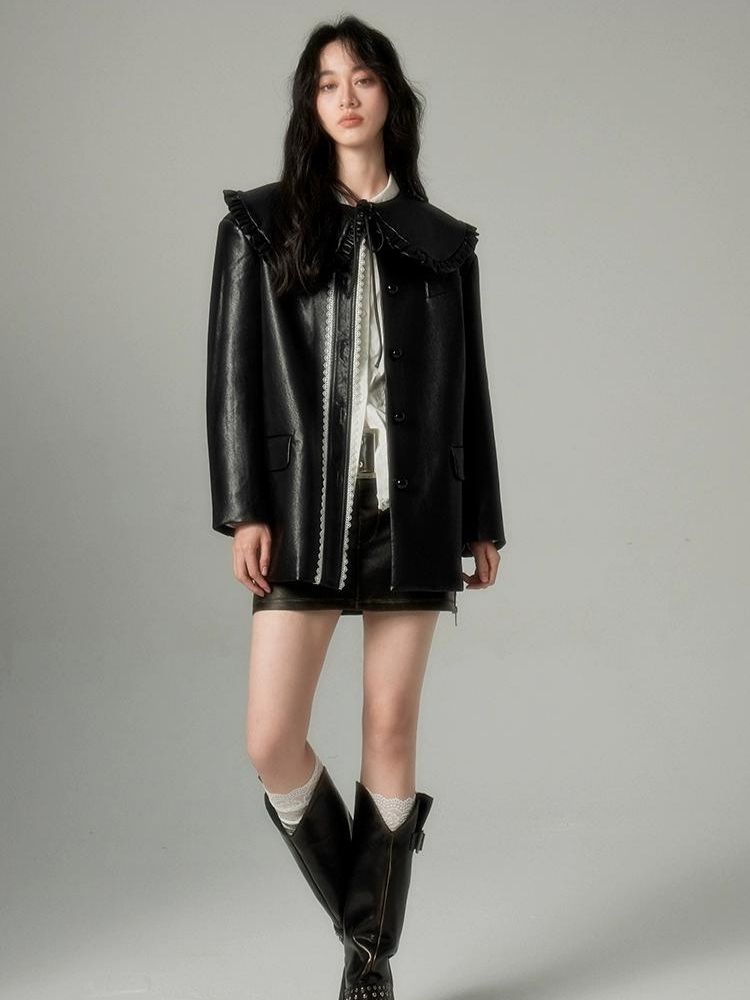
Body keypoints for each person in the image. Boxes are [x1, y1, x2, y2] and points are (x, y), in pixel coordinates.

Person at [205, 14, 507, 999]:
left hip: (415, 510)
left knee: (390, 725)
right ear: (311, 102)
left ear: (389, 99)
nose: (346, 95)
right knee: (270, 737)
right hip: (303, 511)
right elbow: (232, 380)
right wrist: (245, 509)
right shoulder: (260, 227)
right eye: (327, 81)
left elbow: (469, 390)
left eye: (364, 78)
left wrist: (483, 516)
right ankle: (364, 917)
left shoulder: (443, 245)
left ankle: (367, 965)